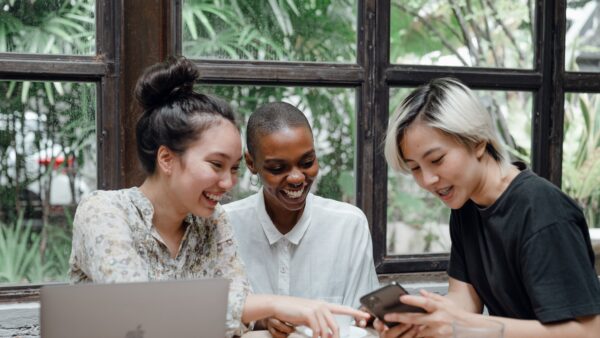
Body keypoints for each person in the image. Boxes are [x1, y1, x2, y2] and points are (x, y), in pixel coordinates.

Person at [68, 57, 369, 338]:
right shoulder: (104, 211)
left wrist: (254, 313)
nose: (228, 183)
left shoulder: (213, 222)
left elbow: (239, 317)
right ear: (167, 159)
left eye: (234, 168)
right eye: (216, 165)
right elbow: (137, 310)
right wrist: (274, 305)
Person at [379, 78, 600, 338]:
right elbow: (465, 299)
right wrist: (421, 321)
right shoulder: (465, 204)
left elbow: (589, 331)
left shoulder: (543, 212)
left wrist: (468, 327)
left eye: (436, 160)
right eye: (415, 167)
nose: (427, 180)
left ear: (477, 142)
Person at [224, 102, 380, 337]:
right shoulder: (224, 226)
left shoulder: (348, 225)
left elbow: (363, 322)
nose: (297, 178)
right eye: (278, 168)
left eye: (307, 163)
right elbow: (208, 319)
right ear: (251, 163)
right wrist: (260, 320)